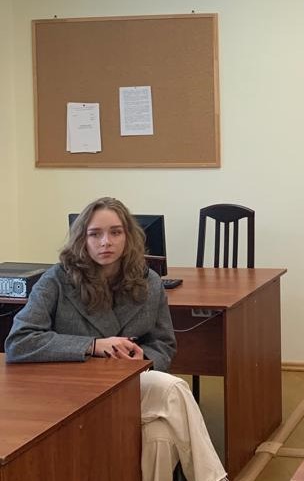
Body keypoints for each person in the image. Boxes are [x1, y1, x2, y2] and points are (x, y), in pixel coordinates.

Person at [4, 197, 227, 481]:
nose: (105, 242)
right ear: (82, 239)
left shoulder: (149, 282)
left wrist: (143, 359)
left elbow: (164, 344)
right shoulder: (57, 280)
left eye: (115, 232)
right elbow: (19, 341)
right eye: (95, 234)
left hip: (128, 382)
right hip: (73, 389)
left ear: (128, 236)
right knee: (173, 389)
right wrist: (92, 346)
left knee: (159, 434)